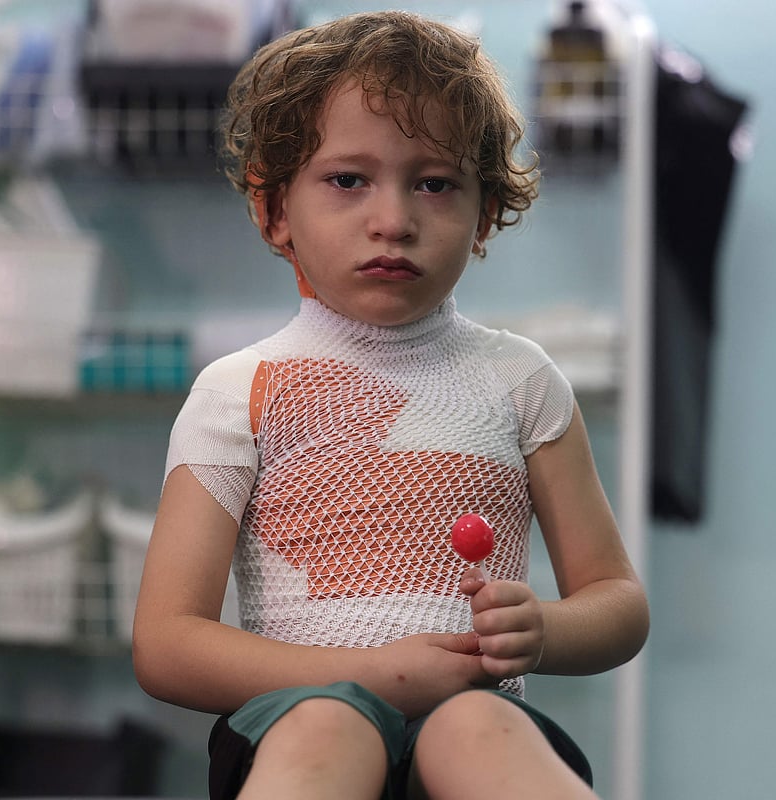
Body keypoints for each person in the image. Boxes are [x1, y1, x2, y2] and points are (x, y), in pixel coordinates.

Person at [132, 10, 649, 799]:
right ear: (275, 213)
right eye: (347, 180)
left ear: (483, 214)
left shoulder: (522, 380)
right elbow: (167, 644)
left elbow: (617, 603)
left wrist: (543, 631)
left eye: (434, 183)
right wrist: (364, 675)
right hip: (300, 720)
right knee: (328, 721)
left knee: (473, 725)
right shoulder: (237, 392)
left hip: (473, 719)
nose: (394, 220)